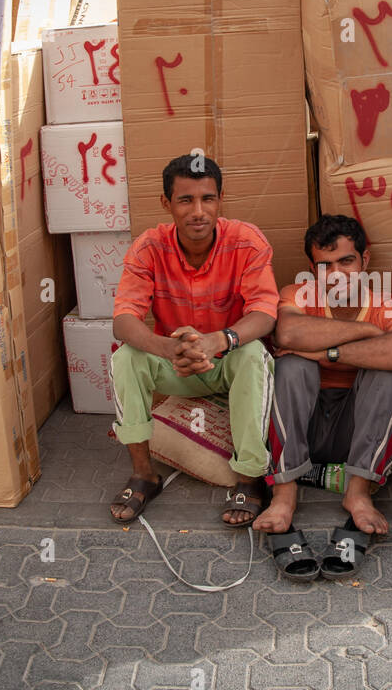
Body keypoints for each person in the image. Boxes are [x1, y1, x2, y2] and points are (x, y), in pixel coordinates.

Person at [108, 154, 277, 527]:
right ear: (166, 203)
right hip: (176, 361)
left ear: (220, 199)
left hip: (225, 359)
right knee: (126, 357)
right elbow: (123, 320)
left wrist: (220, 340)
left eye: (208, 199)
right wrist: (169, 348)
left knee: (253, 354)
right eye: (185, 200)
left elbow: (265, 313)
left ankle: (250, 479)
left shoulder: (245, 240)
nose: (198, 211)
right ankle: (143, 474)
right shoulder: (149, 246)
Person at [257, 215, 392, 580]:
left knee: (390, 371)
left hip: (358, 429)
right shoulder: (295, 295)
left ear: (365, 260)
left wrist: (326, 352)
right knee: (291, 368)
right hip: (307, 423)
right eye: (325, 265)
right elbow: (288, 332)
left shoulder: (391, 306)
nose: (336, 274)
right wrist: (365, 333)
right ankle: (284, 495)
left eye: (346, 261)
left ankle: (358, 492)